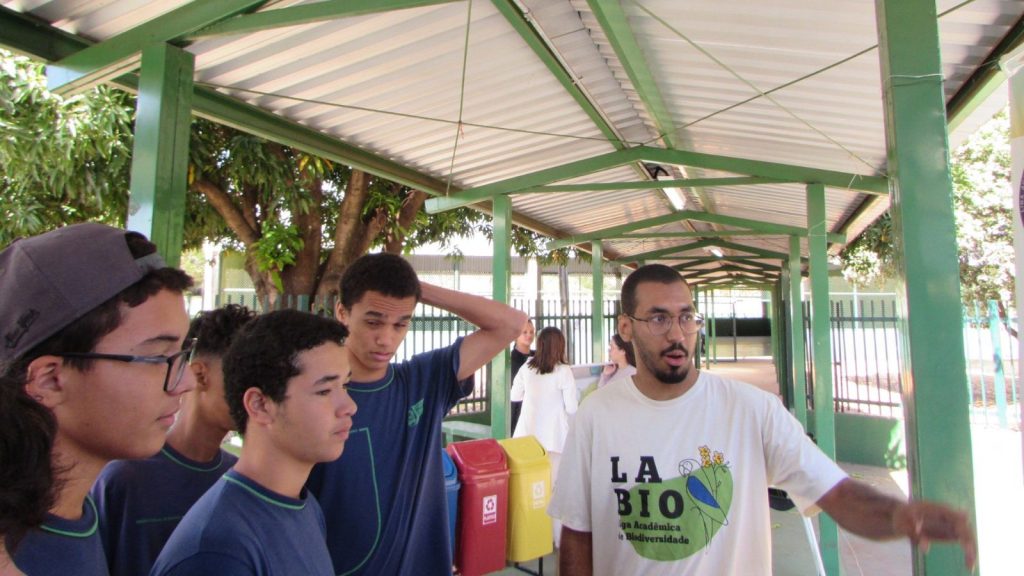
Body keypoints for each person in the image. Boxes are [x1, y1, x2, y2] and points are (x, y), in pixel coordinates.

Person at [549, 264, 977, 575]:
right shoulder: (596, 415)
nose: (677, 334)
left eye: (686, 317)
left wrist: (901, 517)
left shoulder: (751, 410)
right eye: (658, 318)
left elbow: (836, 492)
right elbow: (578, 534)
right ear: (626, 326)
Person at [306, 253, 526, 575]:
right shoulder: (314, 398)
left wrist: (417, 288)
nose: (386, 338)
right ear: (343, 312)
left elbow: (511, 323)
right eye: (373, 321)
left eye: (401, 323)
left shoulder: (424, 380)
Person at [0, 223, 195, 575]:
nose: (185, 383)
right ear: (50, 379)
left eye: (182, 354)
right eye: (157, 359)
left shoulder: (74, 512)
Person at [151, 309, 357, 576]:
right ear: (259, 404)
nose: (348, 407)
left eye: (346, 386)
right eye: (324, 391)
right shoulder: (219, 549)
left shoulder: (306, 507)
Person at [90, 304, 256, 576]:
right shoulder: (124, 477)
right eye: (244, 377)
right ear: (201, 374)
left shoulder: (236, 477)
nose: (257, 395)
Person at [582, 333, 636, 400]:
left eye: (612, 347)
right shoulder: (613, 371)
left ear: (622, 351)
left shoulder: (633, 373)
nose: (609, 350)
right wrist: (605, 375)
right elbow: (600, 393)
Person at [509, 318, 535, 433]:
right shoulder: (511, 360)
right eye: (524, 332)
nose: (529, 335)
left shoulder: (538, 356)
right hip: (516, 410)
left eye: (531, 332)